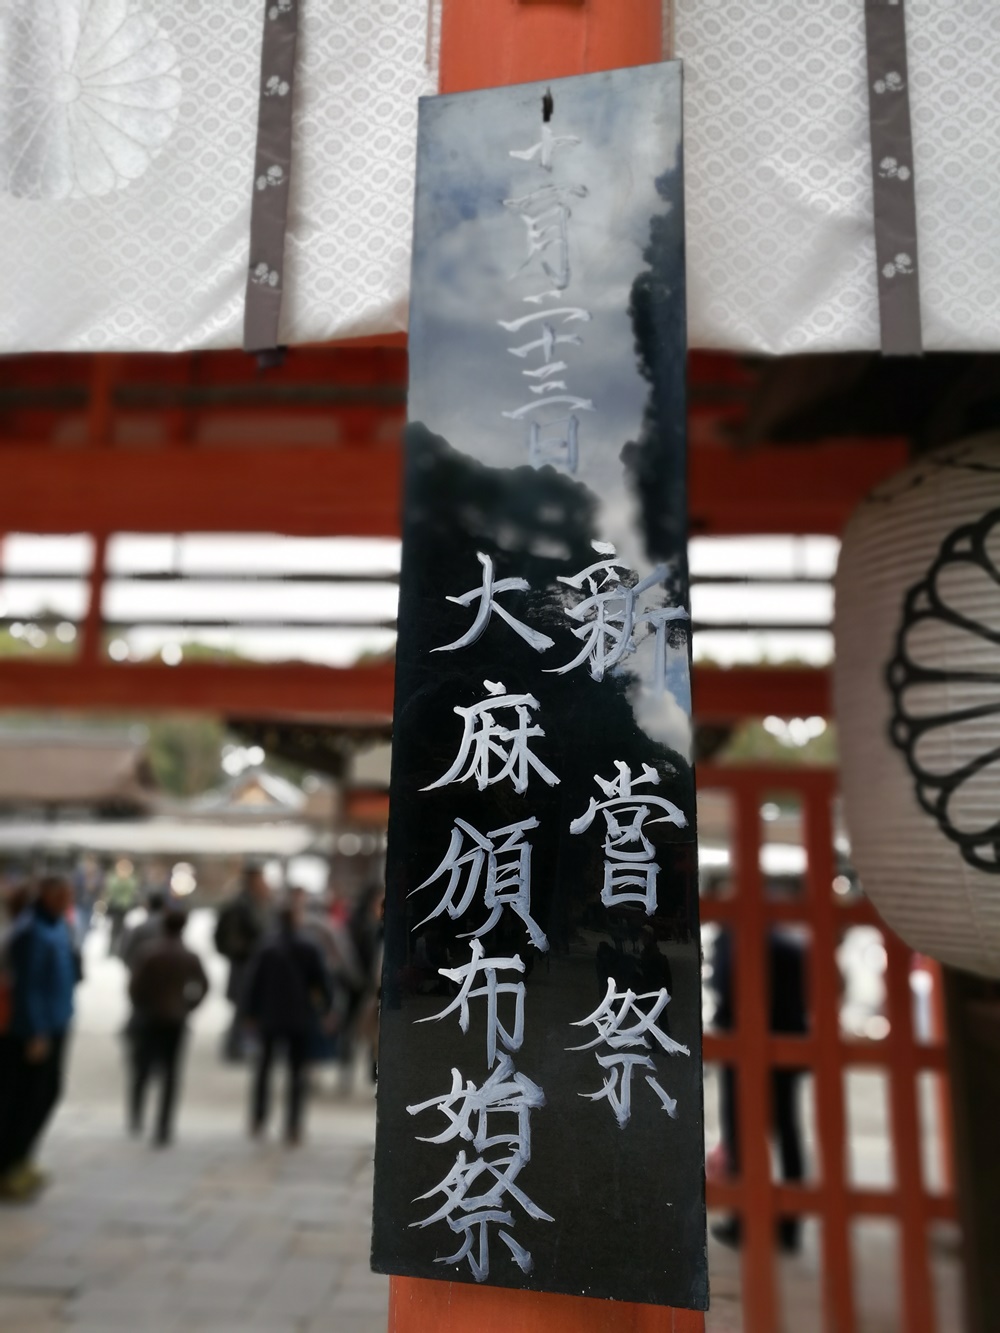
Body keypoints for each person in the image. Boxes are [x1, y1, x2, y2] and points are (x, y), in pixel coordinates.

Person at [709, 919, 809, 1253]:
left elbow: (723, 986)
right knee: (785, 1132)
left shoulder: (730, 937)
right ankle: (789, 1226)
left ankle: (744, 1219)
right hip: (783, 1046)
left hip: (742, 1047)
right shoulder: (788, 944)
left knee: (742, 1134)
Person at [0, 877, 77, 1202]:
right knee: (26, 1098)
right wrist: (36, 1031)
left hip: (57, 1021)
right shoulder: (30, 931)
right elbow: (27, 986)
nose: (65, 901)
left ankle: (21, 1157)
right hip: (32, 1030)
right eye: (59, 895)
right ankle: (9, 1163)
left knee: (48, 1092)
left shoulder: (57, 927)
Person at [242, 894, 332, 1145]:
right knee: (296, 1072)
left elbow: (253, 984)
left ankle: (258, 1118)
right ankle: (293, 1125)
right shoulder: (309, 946)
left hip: (269, 1017)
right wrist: (327, 1010)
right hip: (299, 1017)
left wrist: (250, 1014)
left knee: (263, 1069)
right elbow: (322, 982)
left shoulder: (266, 947)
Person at [128, 908, 209, 1146]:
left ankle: (137, 1115)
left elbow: (134, 987)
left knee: (142, 1069)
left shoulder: (149, 953)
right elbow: (204, 985)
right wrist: (188, 1006)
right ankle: (163, 1125)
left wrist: (141, 1006)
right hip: (175, 1018)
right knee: (171, 1074)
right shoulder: (188, 955)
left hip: (150, 1017)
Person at [214, 865, 271, 1060]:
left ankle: (240, 1045)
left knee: (246, 1006)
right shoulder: (241, 905)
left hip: (250, 961)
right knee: (243, 1005)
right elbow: (233, 937)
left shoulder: (256, 903)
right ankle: (235, 1047)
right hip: (244, 962)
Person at [120, 890, 168, 973]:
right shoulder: (172, 929)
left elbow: (126, 950)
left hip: (142, 971)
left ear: (148, 905)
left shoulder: (140, 928)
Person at [104, 858, 139, 957]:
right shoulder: (114, 878)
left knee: (123, 930)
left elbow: (132, 889)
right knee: (114, 929)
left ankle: (120, 950)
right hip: (115, 906)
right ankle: (111, 950)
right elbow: (111, 889)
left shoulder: (131, 879)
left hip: (125, 907)